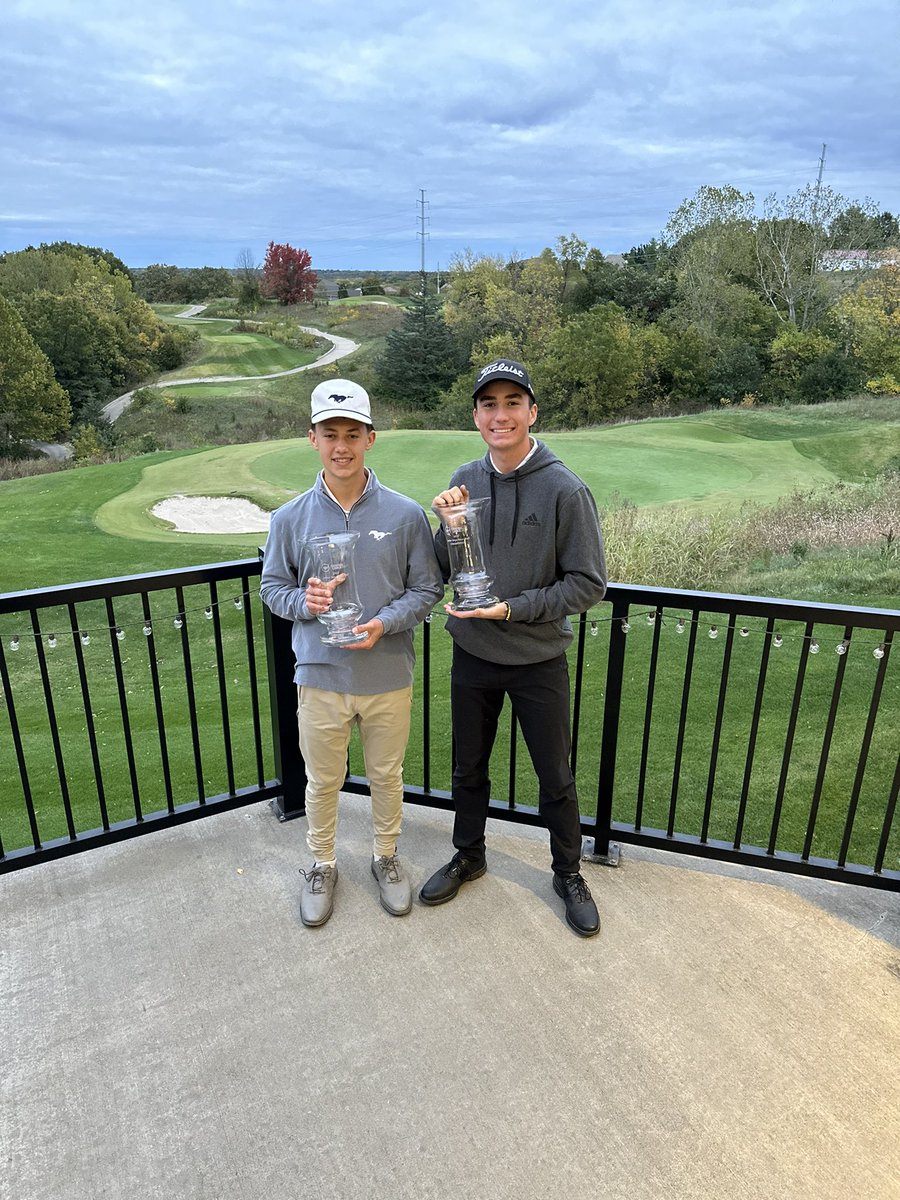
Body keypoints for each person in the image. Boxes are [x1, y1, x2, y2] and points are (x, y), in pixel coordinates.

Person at [419, 359, 607, 937]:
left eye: (511, 403)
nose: (500, 415)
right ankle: (470, 854)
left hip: (536, 658)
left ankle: (568, 873)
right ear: (476, 416)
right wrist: (447, 523)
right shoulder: (465, 478)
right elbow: (443, 566)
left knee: (555, 776)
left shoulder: (564, 489)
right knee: (467, 768)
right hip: (473, 652)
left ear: (532, 412)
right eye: (488, 405)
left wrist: (512, 608)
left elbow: (587, 583)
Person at [260, 379, 443, 928]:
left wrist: (385, 621)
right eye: (330, 433)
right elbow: (273, 590)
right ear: (312, 438)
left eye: (353, 434)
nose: (342, 445)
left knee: (386, 775)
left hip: (387, 673)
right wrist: (307, 602)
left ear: (371, 438)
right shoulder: (289, 518)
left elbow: (427, 588)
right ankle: (321, 863)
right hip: (320, 673)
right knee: (323, 780)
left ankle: (386, 857)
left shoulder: (407, 514)